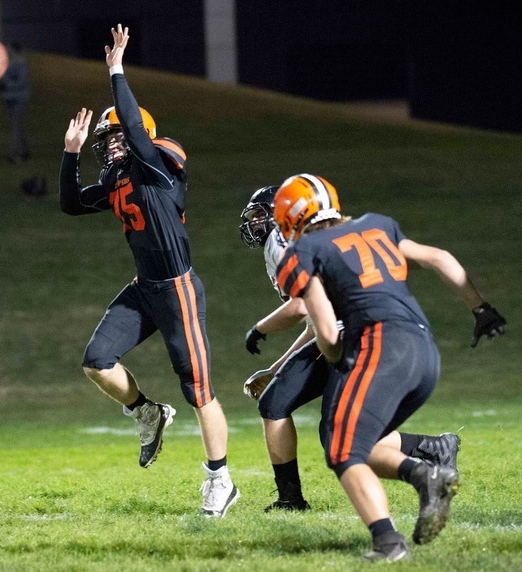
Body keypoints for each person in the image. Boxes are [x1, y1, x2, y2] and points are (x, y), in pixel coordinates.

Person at [272, 173, 506, 561]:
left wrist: (336, 358)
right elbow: (438, 258)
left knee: (341, 450)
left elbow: (326, 330)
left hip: (381, 349)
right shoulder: (378, 225)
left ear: (290, 218)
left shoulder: (303, 251)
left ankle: (389, 541)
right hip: (424, 351)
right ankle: (425, 473)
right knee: (359, 443)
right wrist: (480, 308)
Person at [59, 24, 239, 517]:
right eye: (106, 140)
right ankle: (147, 412)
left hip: (178, 288)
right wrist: (71, 153)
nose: (111, 146)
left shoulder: (159, 164)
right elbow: (71, 204)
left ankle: (220, 480)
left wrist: (117, 70)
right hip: (145, 289)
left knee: (199, 390)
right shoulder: (119, 179)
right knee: (96, 360)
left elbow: (138, 133)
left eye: (116, 136)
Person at [239, 185, 462, 513]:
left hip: (353, 338)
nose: (255, 223)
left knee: (337, 436)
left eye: (260, 216)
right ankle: (290, 500)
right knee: (274, 403)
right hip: (331, 336)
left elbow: (302, 307)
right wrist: (277, 368)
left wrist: (258, 329)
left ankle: (425, 462)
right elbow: (315, 320)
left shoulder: (286, 243)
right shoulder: (280, 244)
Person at [0, 43, 31, 164]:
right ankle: (25, 150)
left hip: (18, 99)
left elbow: (20, 82)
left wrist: (7, 83)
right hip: (10, 98)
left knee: (15, 127)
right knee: (17, 126)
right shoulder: (10, 64)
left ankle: (16, 153)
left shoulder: (21, 64)